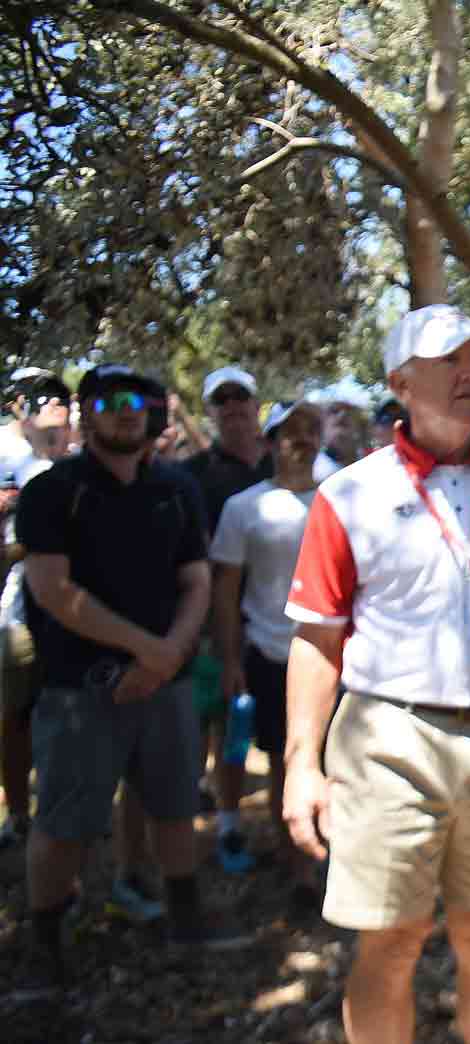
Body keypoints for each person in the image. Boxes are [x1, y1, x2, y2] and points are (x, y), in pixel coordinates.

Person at [281, 304, 470, 1044]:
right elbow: (317, 638)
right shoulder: (348, 494)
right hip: (387, 739)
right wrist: (300, 764)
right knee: (390, 943)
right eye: (451, 359)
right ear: (400, 380)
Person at [16, 364, 253, 998]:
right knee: (65, 826)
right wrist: (150, 651)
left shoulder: (175, 488)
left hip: (166, 685)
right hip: (79, 691)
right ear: (87, 411)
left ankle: (184, 918)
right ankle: (44, 945)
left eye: (144, 402)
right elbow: (54, 592)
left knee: (176, 806)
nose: (130, 411)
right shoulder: (52, 492)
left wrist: (169, 656)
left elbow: (198, 581)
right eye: (114, 400)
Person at [207, 399, 328, 907]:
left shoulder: (339, 500)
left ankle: (338, 858)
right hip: (271, 652)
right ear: (270, 440)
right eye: (288, 432)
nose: (299, 441)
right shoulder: (243, 508)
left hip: (337, 652)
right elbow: (226, 593)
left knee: (339, 759)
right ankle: (300, 869)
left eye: (309, 431)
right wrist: (231, 661)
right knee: (287, 760)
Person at [182, 364, 273, 873]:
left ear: (256, 405)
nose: (234, 407)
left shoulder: (281, 468)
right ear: (211, 411)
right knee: (206, 727)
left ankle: (230, 822)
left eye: (242, 398)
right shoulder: (191, 476)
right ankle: (209, 827)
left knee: (242, 734)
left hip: (276, 625)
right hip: (212, 629)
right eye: (223, 400)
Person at [0, 372, 72, 851]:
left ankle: (64, 809)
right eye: (37, 398)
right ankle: (21, 813)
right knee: (13, 719)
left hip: (72, 617)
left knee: (69, 717)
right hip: (16, 616)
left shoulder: (82, 462)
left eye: (58, 398)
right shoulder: (6, 453)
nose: (50, 406)